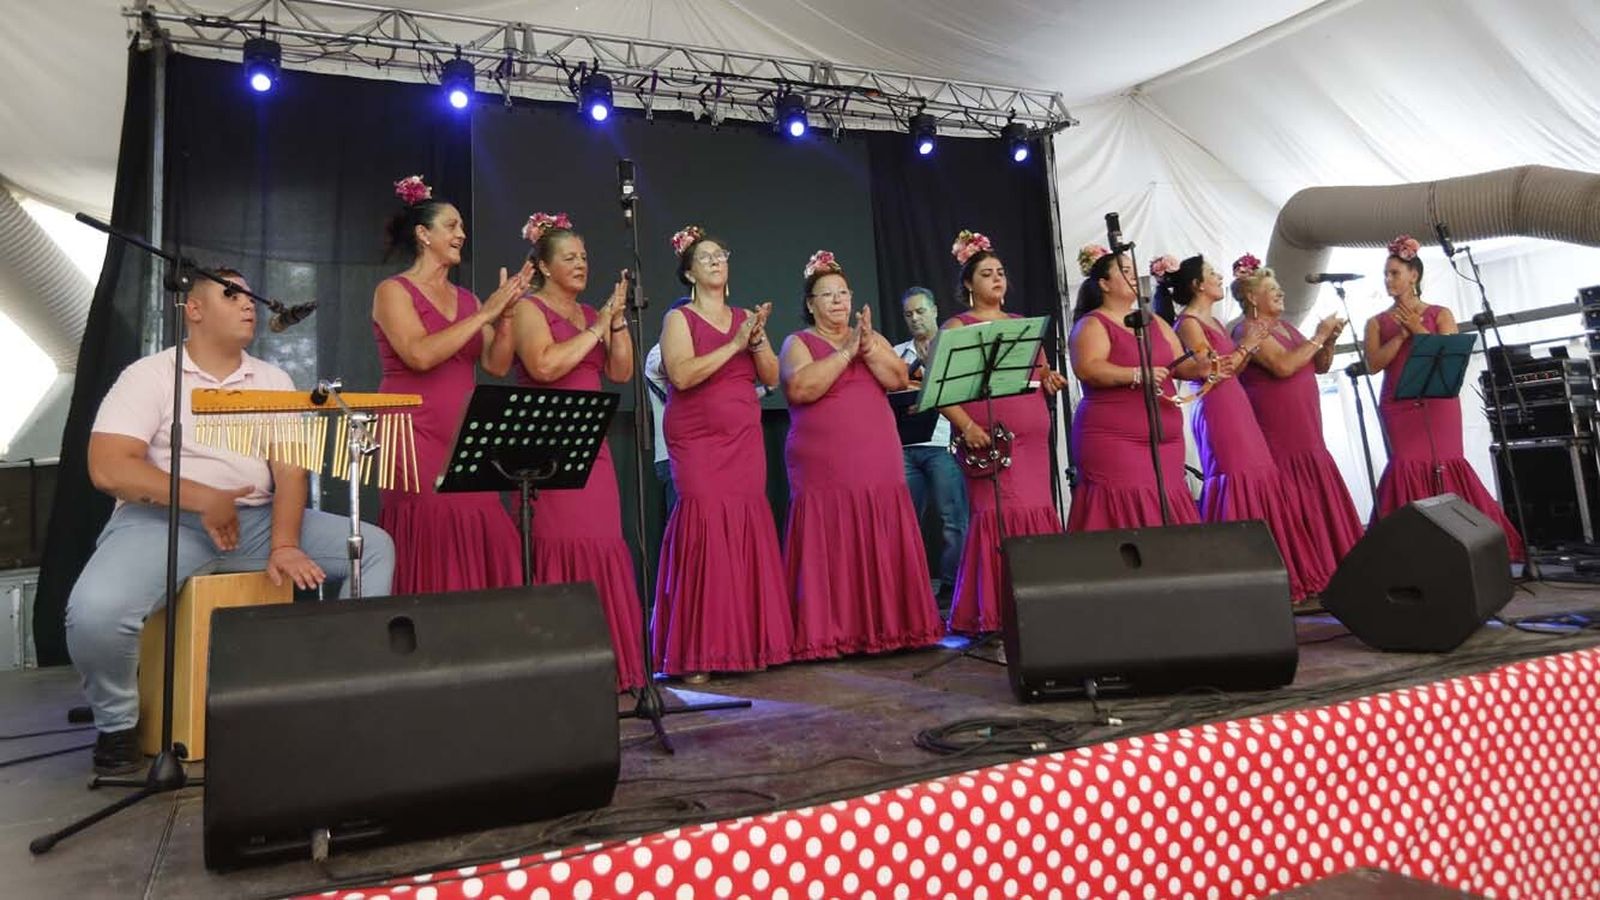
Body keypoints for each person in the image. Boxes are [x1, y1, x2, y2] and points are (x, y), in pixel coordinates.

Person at [65, 269, 396, 776]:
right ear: (192, 309)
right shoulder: (149, 376)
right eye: (231, 294)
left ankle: (349, 691)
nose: (250, 304)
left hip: (259, 520)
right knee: (95, 612)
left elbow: (290, 469)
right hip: (163, 520)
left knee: (372, 547)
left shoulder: (273, 379)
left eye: (250, 296)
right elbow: (108, 467)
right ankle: (116, 725)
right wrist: (202, 498)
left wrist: (285, 542)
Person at [779, 252, 943, 659]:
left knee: (881, 526)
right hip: (824, 464)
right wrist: (846, 351)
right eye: (827, 294)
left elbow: (898, 379)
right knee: (831, 535)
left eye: (843, 293)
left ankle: (890, 629)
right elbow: (801, 389)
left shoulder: (871, 338)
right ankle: (832, 635)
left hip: (877, 455)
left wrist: (866, 346)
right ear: (810, 304)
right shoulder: (797, 343)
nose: (837, 301)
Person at [371, 175, 528, 594]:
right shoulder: (393, 291)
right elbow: (419, 354)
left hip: (463, 433)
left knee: (483, 523)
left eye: (461, 227)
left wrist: (506, 316)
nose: (462, 234)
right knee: (431, 529)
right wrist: (483, 316)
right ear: (424, 234)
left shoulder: (468, 299)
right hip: (411, 433)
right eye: (452, 226)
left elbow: (496, 365)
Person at [510, 212, 647, 691]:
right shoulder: (529, 309)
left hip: (594, 447)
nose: (580, 264)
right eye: (569, 257)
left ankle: (610, 666)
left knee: (603, 544)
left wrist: (617, 322)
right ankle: (562, 667)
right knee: (558, 546)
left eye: (584, 256)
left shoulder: (593, 314)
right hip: (547, 447)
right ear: (545, 266)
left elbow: (622, 372)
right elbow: (544, 366)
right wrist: (596, 329)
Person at [652, 226, 793, 682]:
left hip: (743, 441)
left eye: (721, 254)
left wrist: (755, 340)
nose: (715, 261)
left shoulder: (745, 317)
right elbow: (683, 374)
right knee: (706, 523)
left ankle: (747, 643)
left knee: (744, 523)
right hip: (698, 441)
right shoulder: (680, 318)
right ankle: (698, 651)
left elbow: (772, 377)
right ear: (689, 271)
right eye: (705, 256)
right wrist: (734, 344)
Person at [1154, 253, 1329, 600]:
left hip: (1237, 403)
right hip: (1216, 407)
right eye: (1212, 274)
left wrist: (1251, 344)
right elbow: (1211, 369)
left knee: (1261, 474)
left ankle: (1284, 569)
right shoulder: (1188, 323)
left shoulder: (1217, 323)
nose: (1220, 277)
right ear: (1197, 285)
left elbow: (1234, 365)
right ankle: (1248, 575)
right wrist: (1248, 344)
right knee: (1237, 476)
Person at [1363, 234, 1524, 559]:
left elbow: (1450, 354)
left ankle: (1470, 540)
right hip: (1398, 403)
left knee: (1447, 463)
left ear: (1414, 275)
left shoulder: (1440, 313)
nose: (1388, 279)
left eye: (1394, 273)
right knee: (1405, 464)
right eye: (1386, 274)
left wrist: (1418, 329)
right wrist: (1401, 336)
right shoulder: (1376, 322)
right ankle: (1409, 546)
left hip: (1438, 401)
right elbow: (1373, 365)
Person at [939, 230, 1067, 635]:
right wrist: (968, 425)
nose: (997, 279)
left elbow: (1039, 371)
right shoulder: (957, 325)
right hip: (988, 439)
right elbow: (940, 390)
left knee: (1035, 513)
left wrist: (1050, 381)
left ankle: (1042, 604)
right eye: (986, 274)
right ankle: (995, 612)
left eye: (1000, 272)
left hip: (1032, 439)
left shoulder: (1020, 324)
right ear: (969, 285)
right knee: (998, 516)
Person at [1231, 252, 1364, 585]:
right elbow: (1284, 366)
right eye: (1272, 288)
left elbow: (1319, 365)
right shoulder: (1248, 330)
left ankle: (1336, 563)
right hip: (1281, 433)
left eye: (1279, 288)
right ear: (1251, 296)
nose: (1280, 293)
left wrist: (1328, 343)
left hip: (1308, 428)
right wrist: (1319, 335)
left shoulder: (1286, 327)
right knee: (1297, 493)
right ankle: (1313, 566)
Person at [1067, 246, 1207, 533]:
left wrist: (1210, 367)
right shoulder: (1092, 323)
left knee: (1167, 505)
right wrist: (1136, 374)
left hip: (1166, 441)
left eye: (1133, 270)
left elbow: (1179, 365)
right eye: (1125, 271)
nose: (1133, 276)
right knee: (1127, 513)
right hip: (1115, 440)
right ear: (1104, 284)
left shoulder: (1153, 320)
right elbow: (1088, 368)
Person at [892, 287, 969, 600]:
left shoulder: (953, 349)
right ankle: (911, 590)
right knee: (905, 522)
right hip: (904, 447)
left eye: (920, 311)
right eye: (909, 314)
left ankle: (953, 588)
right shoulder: (897, 353)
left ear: (935, 310)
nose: (915, 319)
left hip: (943, 444)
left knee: (954, 519)